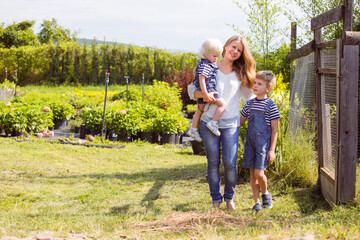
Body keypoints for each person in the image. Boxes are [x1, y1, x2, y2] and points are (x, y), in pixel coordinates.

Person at [188, 35, 256, 210]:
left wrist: (243, 117)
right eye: (233, 47)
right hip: (208, 121)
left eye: (239, 50)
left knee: (230, 163)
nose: (235, 51)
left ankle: (229, 199)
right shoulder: (210, 66)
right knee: (213, 162)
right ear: (225, 47)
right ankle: (215, 201)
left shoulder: (239, 73)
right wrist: (203, 95)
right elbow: (191, 90)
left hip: (230, 124)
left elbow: (251, 99)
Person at [240, 70, 280, 211]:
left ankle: (265, 193)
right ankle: (256, 202)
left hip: (263, 145)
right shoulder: (250, 104)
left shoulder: (271, 106)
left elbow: (275, 130)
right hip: (250, 144)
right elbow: (240, 122)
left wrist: (272, 150)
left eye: (259, 84)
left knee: (259, 174)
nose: (255, 86)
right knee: (253, 174)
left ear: (268, 88)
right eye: (254, 83)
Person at [187, 38, 227, 142]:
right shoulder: (205, 65)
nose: (216, 59)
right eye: (214, 56)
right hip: (208, 91)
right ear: (205, 53)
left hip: (205, 91)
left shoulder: (203, 63)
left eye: (218, 56)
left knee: (199, 111)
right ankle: (213, 123)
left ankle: (193, 129)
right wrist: (205, 93)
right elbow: (202, 78)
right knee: (222, 104)